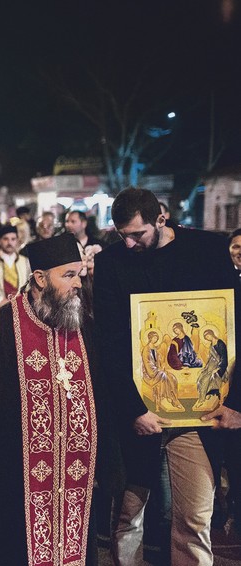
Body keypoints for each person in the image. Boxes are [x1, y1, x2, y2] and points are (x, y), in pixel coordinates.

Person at [93, 187, 241, 565]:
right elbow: (108, 342)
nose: (128, 244)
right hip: (139, 414)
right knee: (128, 516)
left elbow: (233, 328)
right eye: (120, 234)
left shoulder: (207, 251)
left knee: (194, 518)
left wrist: (235, 403)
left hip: (198, 412)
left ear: (161, 219)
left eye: (137, 234)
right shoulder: (112, 262)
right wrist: (131, 410)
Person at [0, 233, 102, 565]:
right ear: (40, 278)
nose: (78, 284)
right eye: (69, 275)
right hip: (13, 473)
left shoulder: (83, 326)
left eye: (81, 274)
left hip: (74, 471)